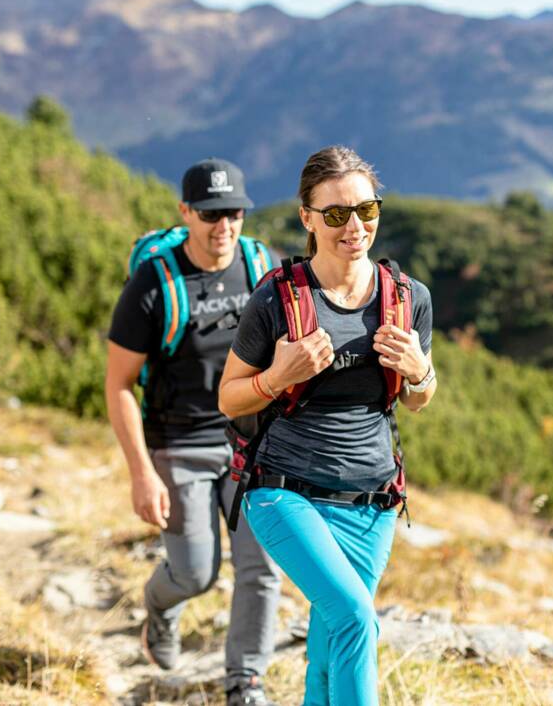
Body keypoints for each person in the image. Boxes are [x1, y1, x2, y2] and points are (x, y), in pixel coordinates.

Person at [219, 146, 437, 706]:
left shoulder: (409, 299)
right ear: (307, 218)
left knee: (333, 642)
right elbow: (229, 397)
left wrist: (421, 371)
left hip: (373, 503)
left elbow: (418, 399)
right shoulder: (277, 297)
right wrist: (278, 374)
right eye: (336, 214)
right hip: (284, 492)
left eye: (367, 210)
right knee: (358, 619)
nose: (354, 226)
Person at [105, 158, 281, 706]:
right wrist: (140, 474)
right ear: (185, 213)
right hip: (178, 443)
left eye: (232, 212)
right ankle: (160, 605)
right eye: (209, 213)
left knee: (262, 568)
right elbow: (118, 386)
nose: (222, 225)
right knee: (195, 573)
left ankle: (245, 682)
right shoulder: (153, 286)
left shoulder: (259, 266)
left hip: (250, 441)